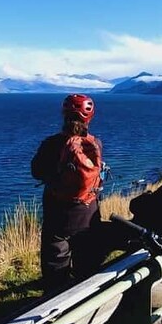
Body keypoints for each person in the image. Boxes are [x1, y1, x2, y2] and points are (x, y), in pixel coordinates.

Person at [31, 94, 104, 293]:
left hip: (58, 210)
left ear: (64, 114)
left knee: (56, 259)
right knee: (86, 256)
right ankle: (83, 295)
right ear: (89, 117)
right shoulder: (95, 143)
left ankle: (54, 298)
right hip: (88, 209)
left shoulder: (52, 144)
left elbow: (36, 171)